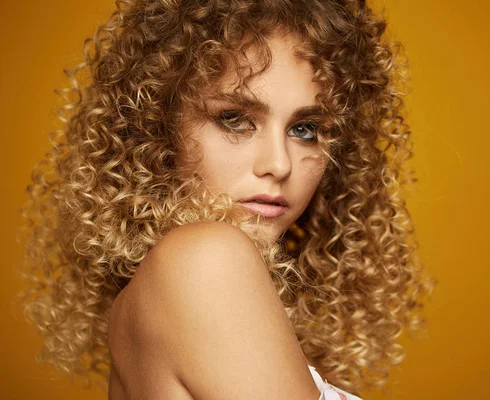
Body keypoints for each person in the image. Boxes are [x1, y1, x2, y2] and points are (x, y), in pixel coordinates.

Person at [18, 0, 434, 398]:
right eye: (234, 119)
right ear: (159, 127)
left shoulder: (161, 287)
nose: (279, 164)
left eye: (305, 128)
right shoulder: (204, 258)